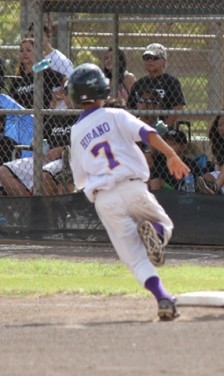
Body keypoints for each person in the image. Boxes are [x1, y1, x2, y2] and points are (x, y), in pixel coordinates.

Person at [68, 63, 189, 320]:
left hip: (105, 199)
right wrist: (171, 155)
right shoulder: (114, 114)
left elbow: (79, 179)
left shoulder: (76, 132)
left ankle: (164, 299)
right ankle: (154, 233)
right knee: (164, 224)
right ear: (102, 88)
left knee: (135, 259)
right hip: (133, 185)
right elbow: (147, 132)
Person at [128, 43, 185, 128]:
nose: (150, 61)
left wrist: (164, 128)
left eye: (155, 58)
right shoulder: (139, 84)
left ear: (164, 61)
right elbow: (130, 108)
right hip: (139, 128)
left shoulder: (171, 82)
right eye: (147, 58)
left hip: (161, 128)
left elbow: (178, 107)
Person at [26, 23, 74, 109]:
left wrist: (53, 97)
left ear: (48, 37)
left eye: (36, 36)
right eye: (31, 37)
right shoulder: (34, 59)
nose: (33, 40)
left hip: (60, 112)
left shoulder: (60, 60)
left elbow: (71, 84)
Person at [8, 38, 65, 109]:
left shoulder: (44, 72)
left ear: (37, 53)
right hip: (24, 118)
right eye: (21, 50)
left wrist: (56, 97)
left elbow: (66, 80)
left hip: (43, 118)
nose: (24, 53)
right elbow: (12, 101)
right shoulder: (17, 79)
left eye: (28, 50)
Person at [196, 111, 224, 195]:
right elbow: (222, 169)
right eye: (220, 125)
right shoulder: (219, 144)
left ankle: (215, 188)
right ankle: (212, 189)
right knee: (207, 177)